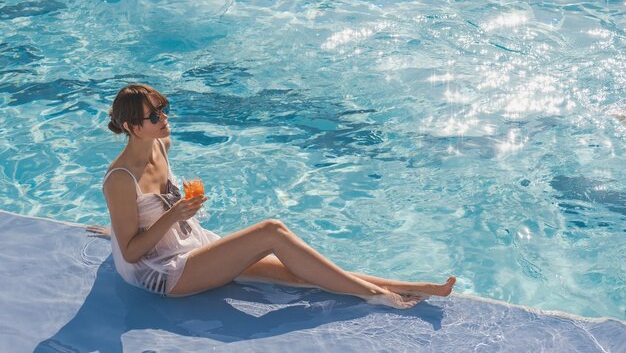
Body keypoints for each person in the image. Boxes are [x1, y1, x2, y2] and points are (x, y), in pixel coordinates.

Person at [103, 84, 456, 308]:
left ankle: (414, 286)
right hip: (162, 273)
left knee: (299, 273)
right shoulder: (120, 180)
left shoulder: (161, 145)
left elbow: (143, 218)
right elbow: (133, 253)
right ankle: (377, 295)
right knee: (272, 231)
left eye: (164, 109)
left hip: (190, 246)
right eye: (154, 115)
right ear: (133, 128)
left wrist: (171, 217)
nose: (164, 118)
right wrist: (173, 216)